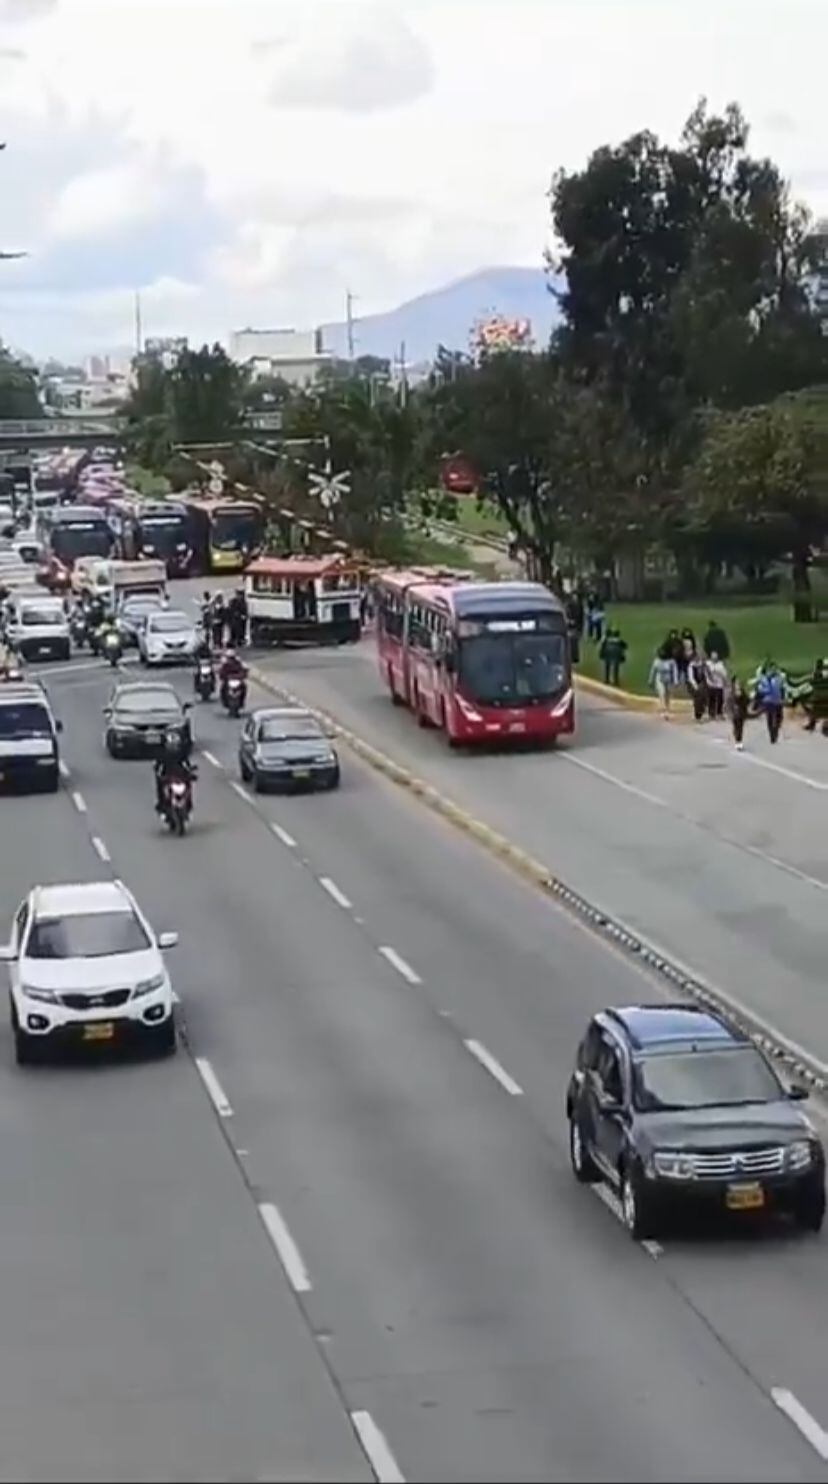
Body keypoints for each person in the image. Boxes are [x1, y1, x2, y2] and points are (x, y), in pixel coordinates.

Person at [154, 729, 197, 815]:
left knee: (189, 784)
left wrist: (191, 771)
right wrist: (159, 773)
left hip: (180, 776)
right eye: (171, 745)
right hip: (168, 777)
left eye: (175, 745)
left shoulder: (181, 754)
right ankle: (162, 804)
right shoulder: (162, 754)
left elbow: (186, 764)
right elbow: (158, 766)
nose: (173, 747)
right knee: (160, 786)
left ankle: (188, 803)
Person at [754, 660, 785, 744]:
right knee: (770, 719)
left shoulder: (779, 677)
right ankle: (772, 734)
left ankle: (775, 730)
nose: (773, 670)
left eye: (774, 668)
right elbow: (760, 688)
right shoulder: (764, 679)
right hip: (769, 701)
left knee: (779, 718)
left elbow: (783, 687)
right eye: (771, 669)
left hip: (778, 701)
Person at [649, 645, 678, 717]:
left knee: (668, 694)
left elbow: (675, 671)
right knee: (662, 693)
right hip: (659, 679)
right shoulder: (657, 661)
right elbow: (653, 671)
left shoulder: (671, 661)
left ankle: (668, 708)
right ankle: (663, 709)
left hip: (669, 679)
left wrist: (675, 680)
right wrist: (650, 680)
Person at [803, 658, 828, 736]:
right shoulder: (816, 715)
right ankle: (819, 664)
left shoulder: (817, 715)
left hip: (821, 688)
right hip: (818, 688)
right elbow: (807, 708)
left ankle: (820, 664)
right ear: (823, 726)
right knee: (816, 681)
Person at [728, 674, 750, 751]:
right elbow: (729, 703)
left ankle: (739, 741)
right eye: (736, 682)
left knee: (740, 728)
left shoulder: (742, 691)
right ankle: (737, 739)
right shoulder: (731, 692)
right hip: (734, 713)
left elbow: (747, 700)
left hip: (741, 713)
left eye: (739, 682)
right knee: (736, 727)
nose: (738, 683)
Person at [686, 650, 709, 723]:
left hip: (702, 683)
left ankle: (703, 709)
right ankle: (698, 715)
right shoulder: (691, 666)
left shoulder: (703, 665)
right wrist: (696, 686)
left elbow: (706, 675)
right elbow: (691, 678)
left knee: (704, 695)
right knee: (698, 697)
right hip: (693, 684)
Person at [705, 651, 728, 720]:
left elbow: (724, 674)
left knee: (720, 699)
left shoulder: (720, 665)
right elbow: (706, 672)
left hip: (719, 684)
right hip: (710, 684)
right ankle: (711, 714)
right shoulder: (708, 664)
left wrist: (725, 682)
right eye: (713, 656)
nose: (714, 658)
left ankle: (719, 713)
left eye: (715, 656)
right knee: (711, 699)